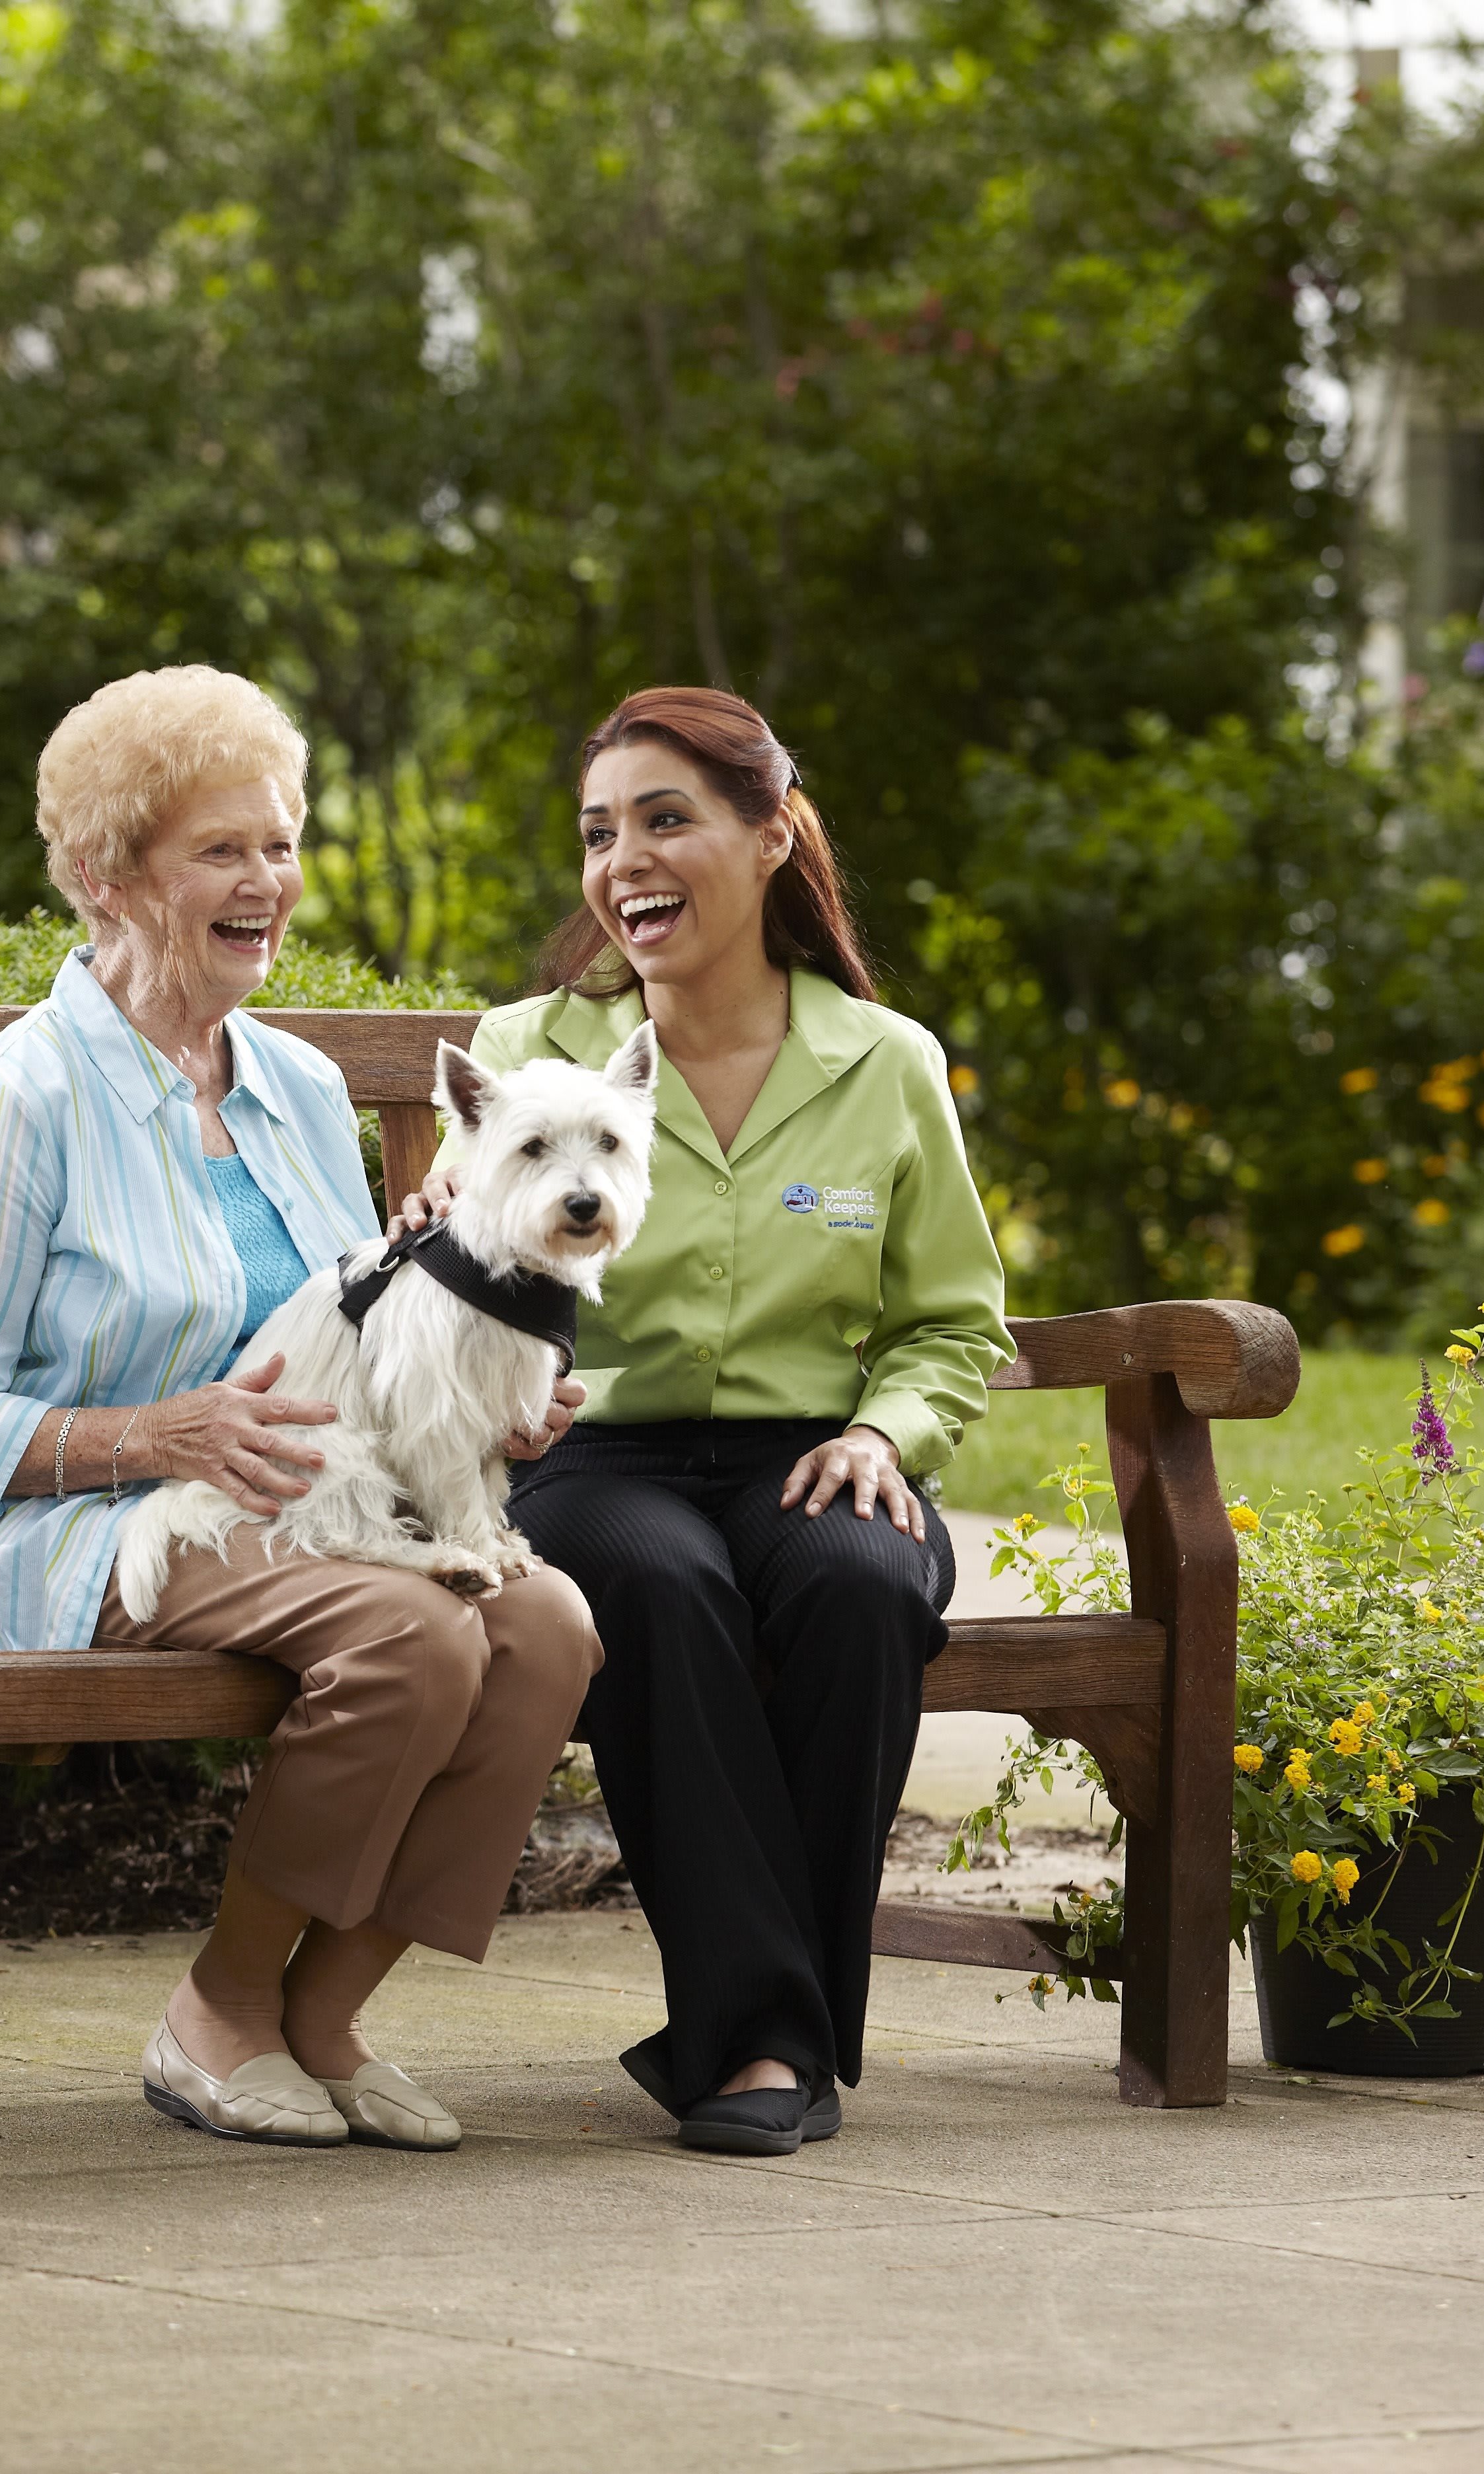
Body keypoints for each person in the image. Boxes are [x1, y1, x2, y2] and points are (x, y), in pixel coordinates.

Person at [0, 664, 605, 2155]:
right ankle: (219, 2012)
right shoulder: (22, 1101)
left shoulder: (301, 1087)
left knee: (546, 1629)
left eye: (280, 842)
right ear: (104, 879)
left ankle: (323, 2018)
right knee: (412, 1632)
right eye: (222, 851)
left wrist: (477, 1410)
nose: (268, 881)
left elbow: (358, 1353)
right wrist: (154, 1435)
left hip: (305, 1520)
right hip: (73, 1534)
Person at [404, 685, 1012, 2157]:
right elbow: (452, 1270)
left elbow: (952, 1320)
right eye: (601, 833)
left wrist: (889, 1436)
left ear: (771, 833)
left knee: (861, 1583)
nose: (625, 863)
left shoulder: (888, 1064)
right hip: (593, 1454)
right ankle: (765, 2045)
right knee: (658, 1587)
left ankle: (760, 2033)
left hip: (816, 1448)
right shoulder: (533, 1045)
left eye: (666, 820)